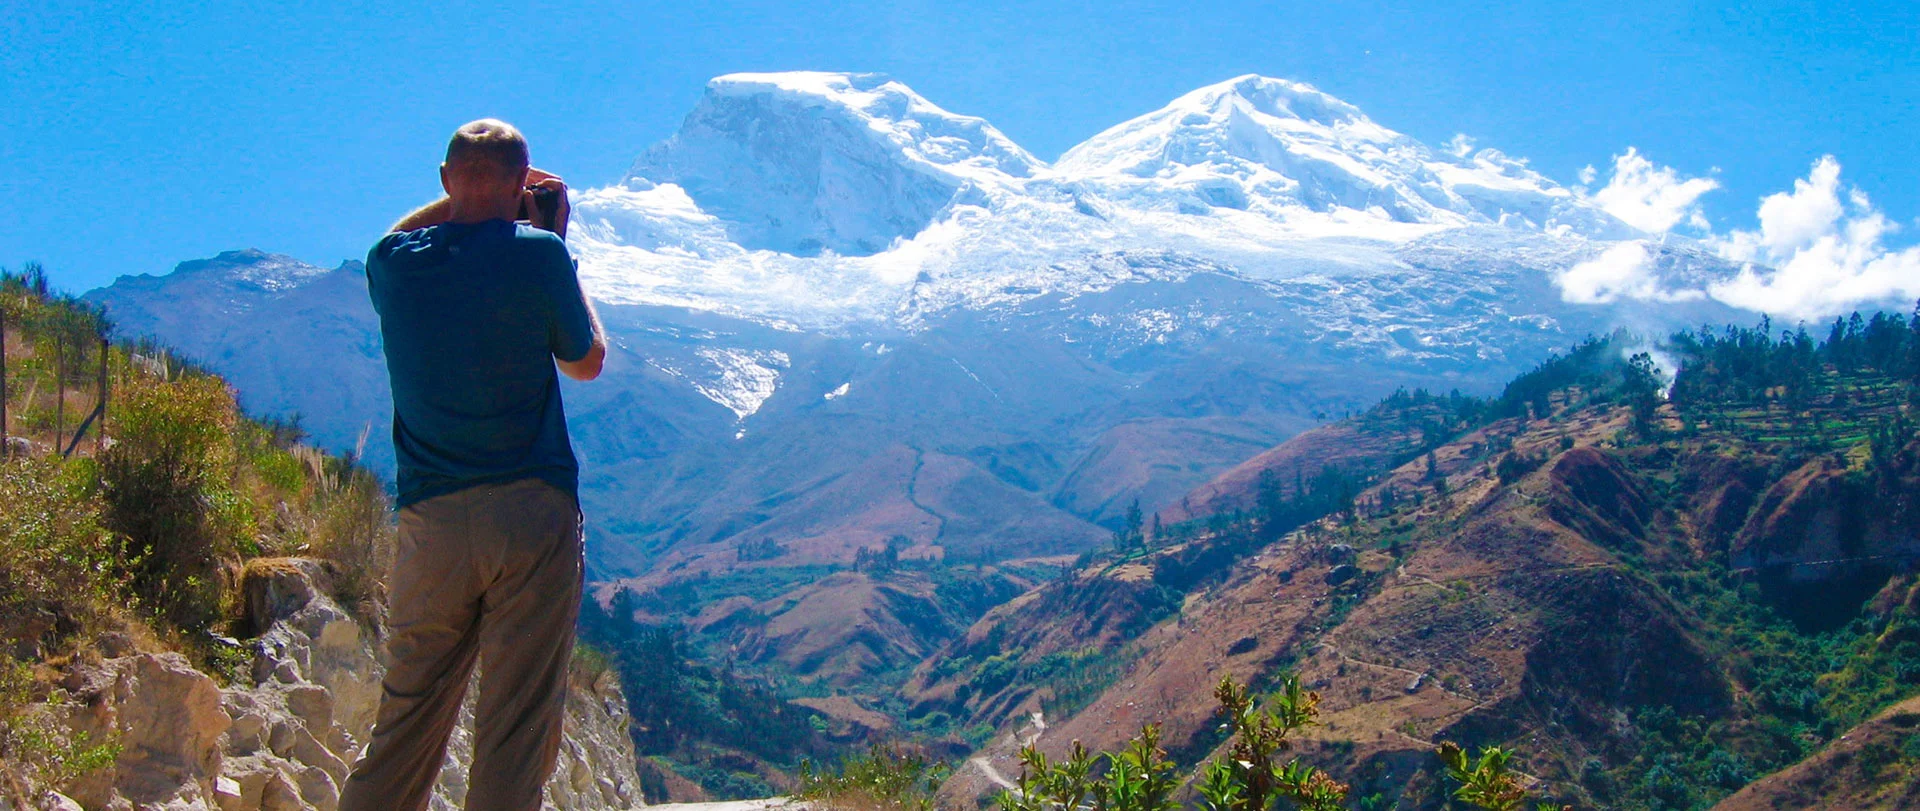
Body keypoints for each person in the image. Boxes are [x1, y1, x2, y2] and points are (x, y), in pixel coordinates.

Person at [339, 118, 607, 811]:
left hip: (432, 522)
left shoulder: (394, 267)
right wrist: (556, 244)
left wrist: (472, 195)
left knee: (406, 720)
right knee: (515, 725)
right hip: (530, 513)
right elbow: (586, 361)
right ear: (522, 187)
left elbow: (393, 234)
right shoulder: (540, 254)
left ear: (443, 181)